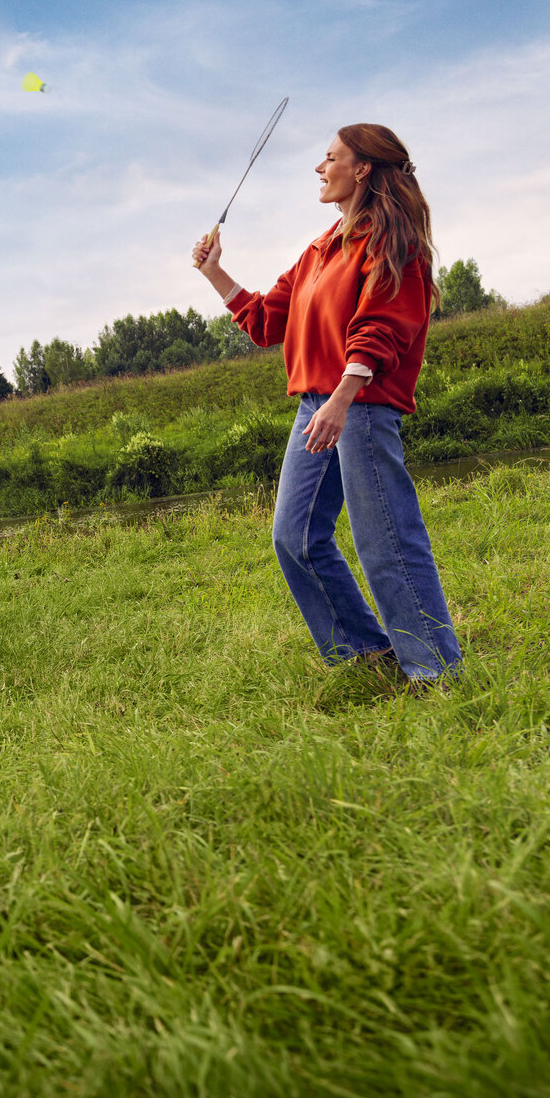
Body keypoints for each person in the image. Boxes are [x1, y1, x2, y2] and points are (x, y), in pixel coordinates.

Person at [193, 122, 461, 683]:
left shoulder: (391, 242)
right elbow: (266, 322)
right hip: (316, 404)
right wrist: (215, 271)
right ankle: (366, 654)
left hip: (359, 402)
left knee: (385, 539)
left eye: (331, 157)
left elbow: (381, 327)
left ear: (362, 168)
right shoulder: (319, 250)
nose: (320, 167)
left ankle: (435, 670)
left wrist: (342, 398)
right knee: (295, 536)